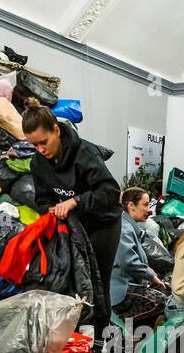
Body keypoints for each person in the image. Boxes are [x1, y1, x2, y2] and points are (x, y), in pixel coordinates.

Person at [23, 99, 122, 331]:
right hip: (72, 226)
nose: (40, 150)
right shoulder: (38, 163)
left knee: (97, 281)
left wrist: (75, 201)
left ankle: (100, 338)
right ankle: (76, 338)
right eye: (34, 145)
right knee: (71, 280)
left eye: (44, 142)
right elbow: (43, 198)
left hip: (102, 225)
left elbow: (110, 192)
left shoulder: (85, 153)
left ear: (56, 130)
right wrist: (49, 210)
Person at [111, 187, 166, 330]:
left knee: (167, 293)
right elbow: (129, 262)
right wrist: (151, 275)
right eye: (145, 204)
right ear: (131, 205)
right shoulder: (124, 229)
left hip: (131, 284)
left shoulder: (131, 227)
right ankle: (115, 324)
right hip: (120, 289)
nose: (149, 210)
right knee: (160, 301)